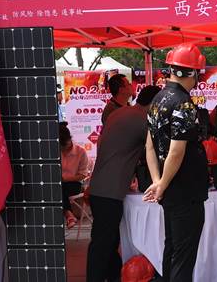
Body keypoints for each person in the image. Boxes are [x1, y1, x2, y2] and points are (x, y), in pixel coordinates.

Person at [143, 43, 208, 282]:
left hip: (170, 190)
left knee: (172, 248)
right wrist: (161, 184)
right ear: (193, 73)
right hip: (185, 190)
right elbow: (176, 152)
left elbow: (150, 146)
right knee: (183, 255)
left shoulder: (157, 99)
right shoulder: (183, 103)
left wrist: (158, 181)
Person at [86, 85, 161, 282]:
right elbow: (158, 150)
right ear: (154, 104)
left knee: (108, 242)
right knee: (103, 243)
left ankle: (113, 277)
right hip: (110, 190)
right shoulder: (142, 120)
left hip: (100, 186)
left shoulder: (120, 113)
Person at [59, 123, 89, 229]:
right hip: (59, 184)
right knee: (58, 188)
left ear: (69, 139)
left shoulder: (81, 152)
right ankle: (69, 215)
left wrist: (66, 179)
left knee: (60, 189)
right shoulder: (55, 151)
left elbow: (83, 175)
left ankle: (68, 215)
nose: (64, 149)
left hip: (74, 184)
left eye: (65, 146)